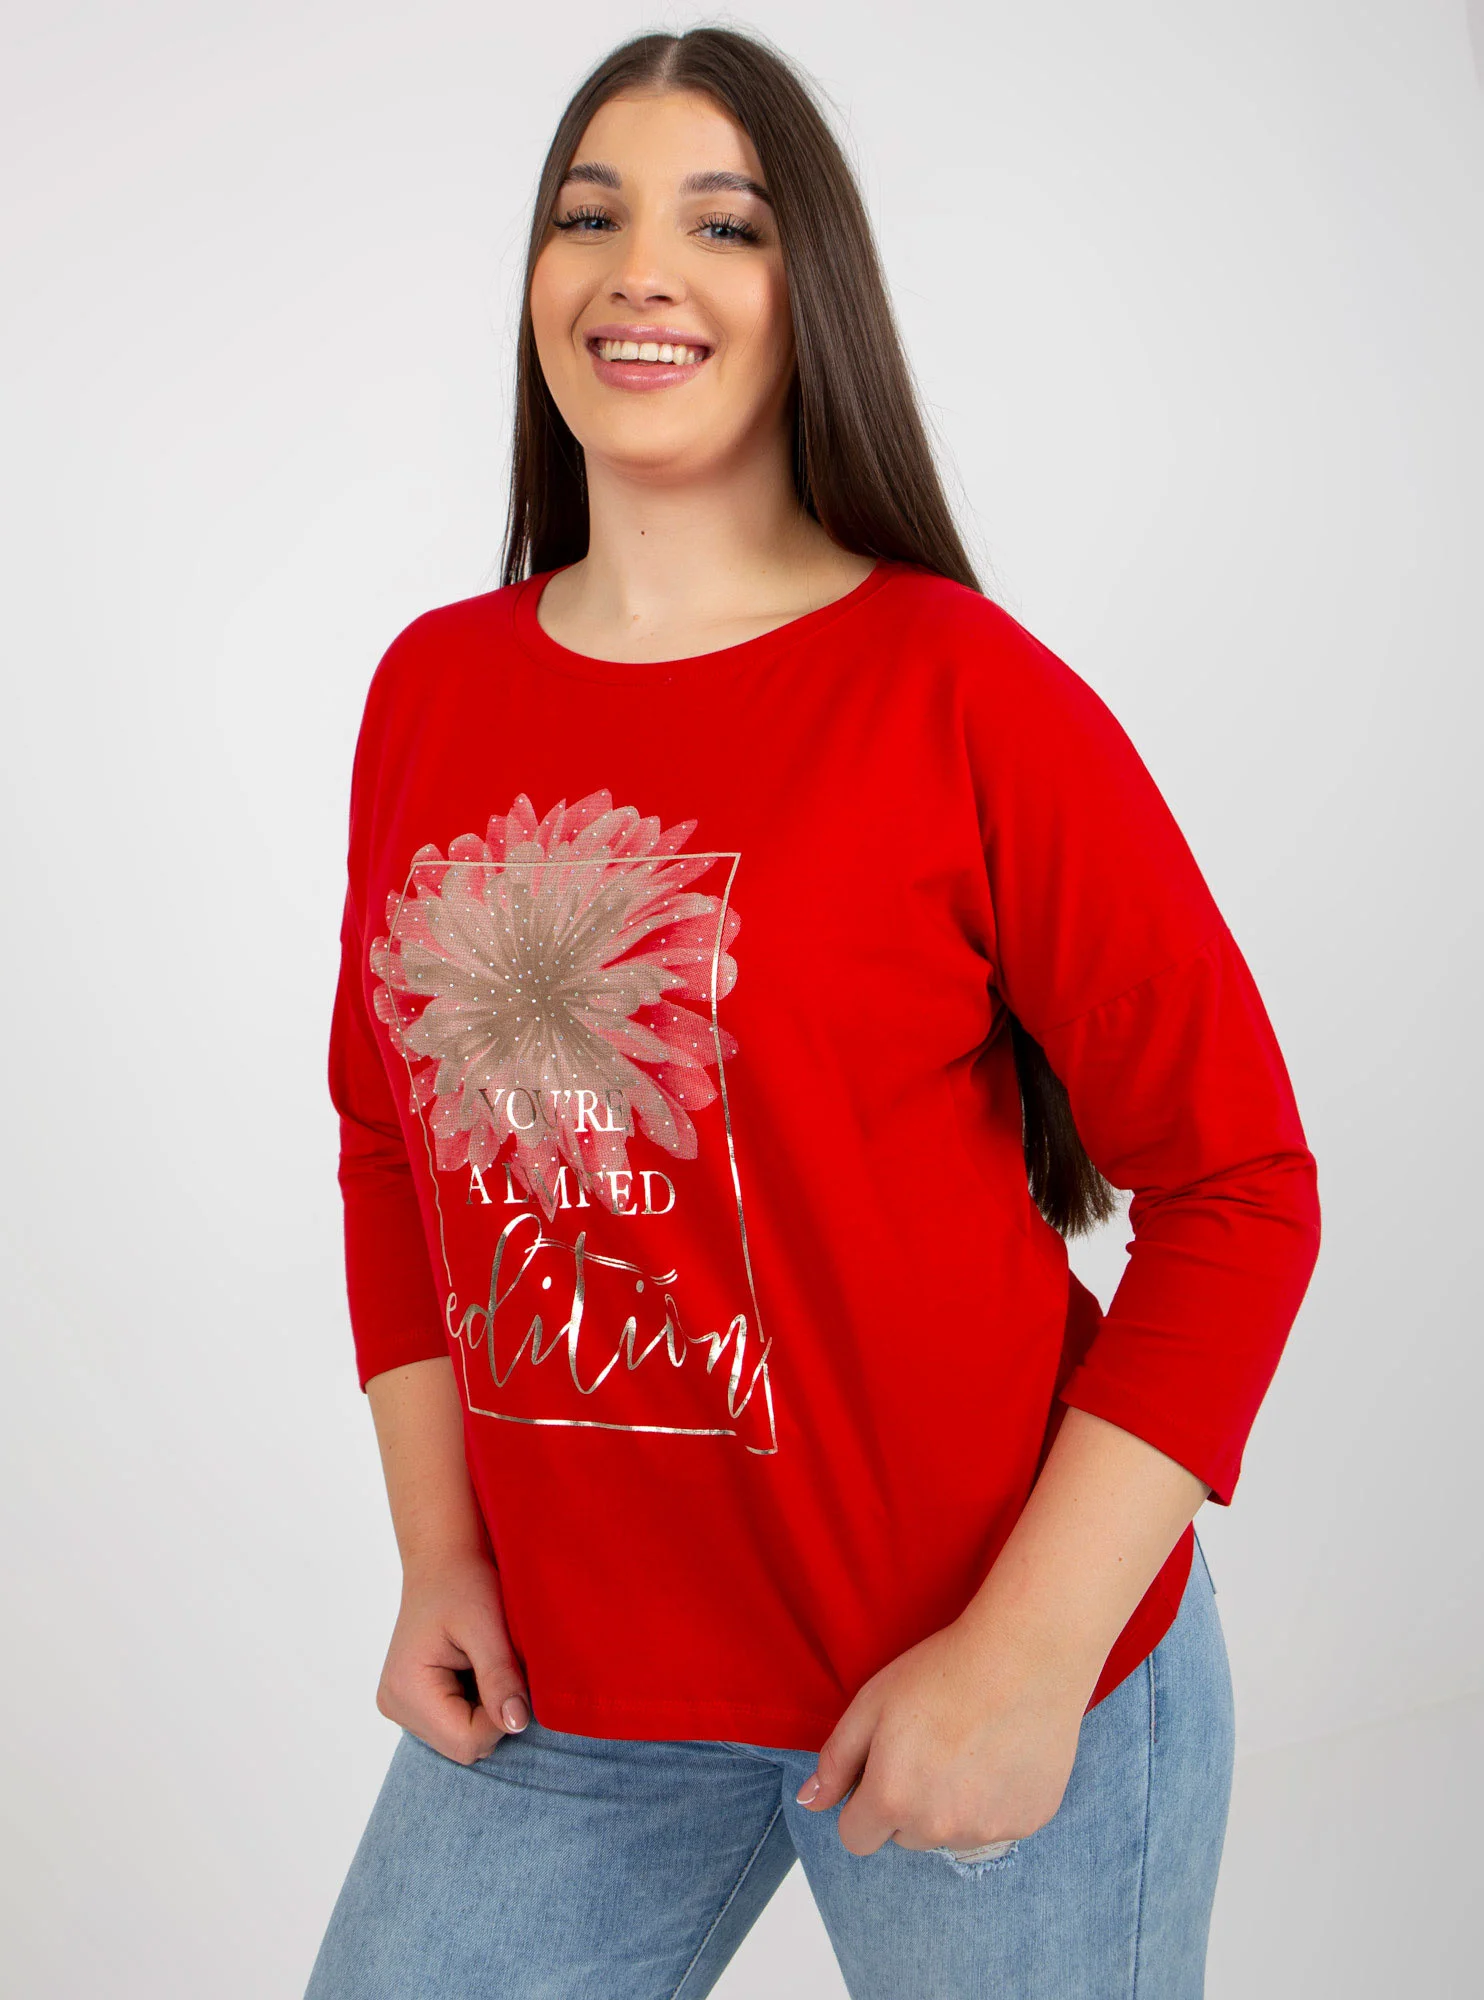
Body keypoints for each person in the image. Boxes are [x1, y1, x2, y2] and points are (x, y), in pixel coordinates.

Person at [304, 25, 1320, 2000]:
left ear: (810, 291)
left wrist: (1024, 1661)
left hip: (974, 1658)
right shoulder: (433, 689)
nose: (640, 270)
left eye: (724, 222)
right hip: (573, 1688)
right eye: (588, 216)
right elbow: (384, 1144)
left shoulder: (962, 692)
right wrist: (443, 1555)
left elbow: (1242, 1189)